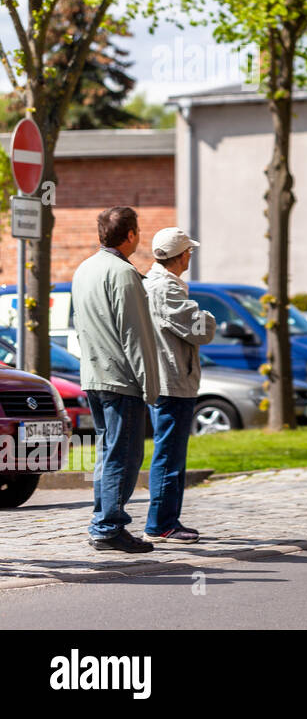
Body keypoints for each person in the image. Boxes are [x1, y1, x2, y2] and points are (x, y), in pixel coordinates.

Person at [72, 206, 160, 553]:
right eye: (138, 230)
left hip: (94, 374)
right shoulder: (123, 274)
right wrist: (151, 386)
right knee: (124, 455)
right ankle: (108, 526)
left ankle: (104, 520)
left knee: (108, 453)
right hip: (121, 379)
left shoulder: (85, 269)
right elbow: (135, 335)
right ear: (130, 235)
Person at [142, 228, 215, 544]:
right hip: (171, 381)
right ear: (182, 255)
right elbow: (201, 328)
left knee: (170, 451)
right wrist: (208, 317)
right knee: (169, 453)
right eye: (189, 252)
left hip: (169, 378)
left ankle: (166, 520)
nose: (190, 257)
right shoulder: (165, 289)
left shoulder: (155, 284)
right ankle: (161, 524)